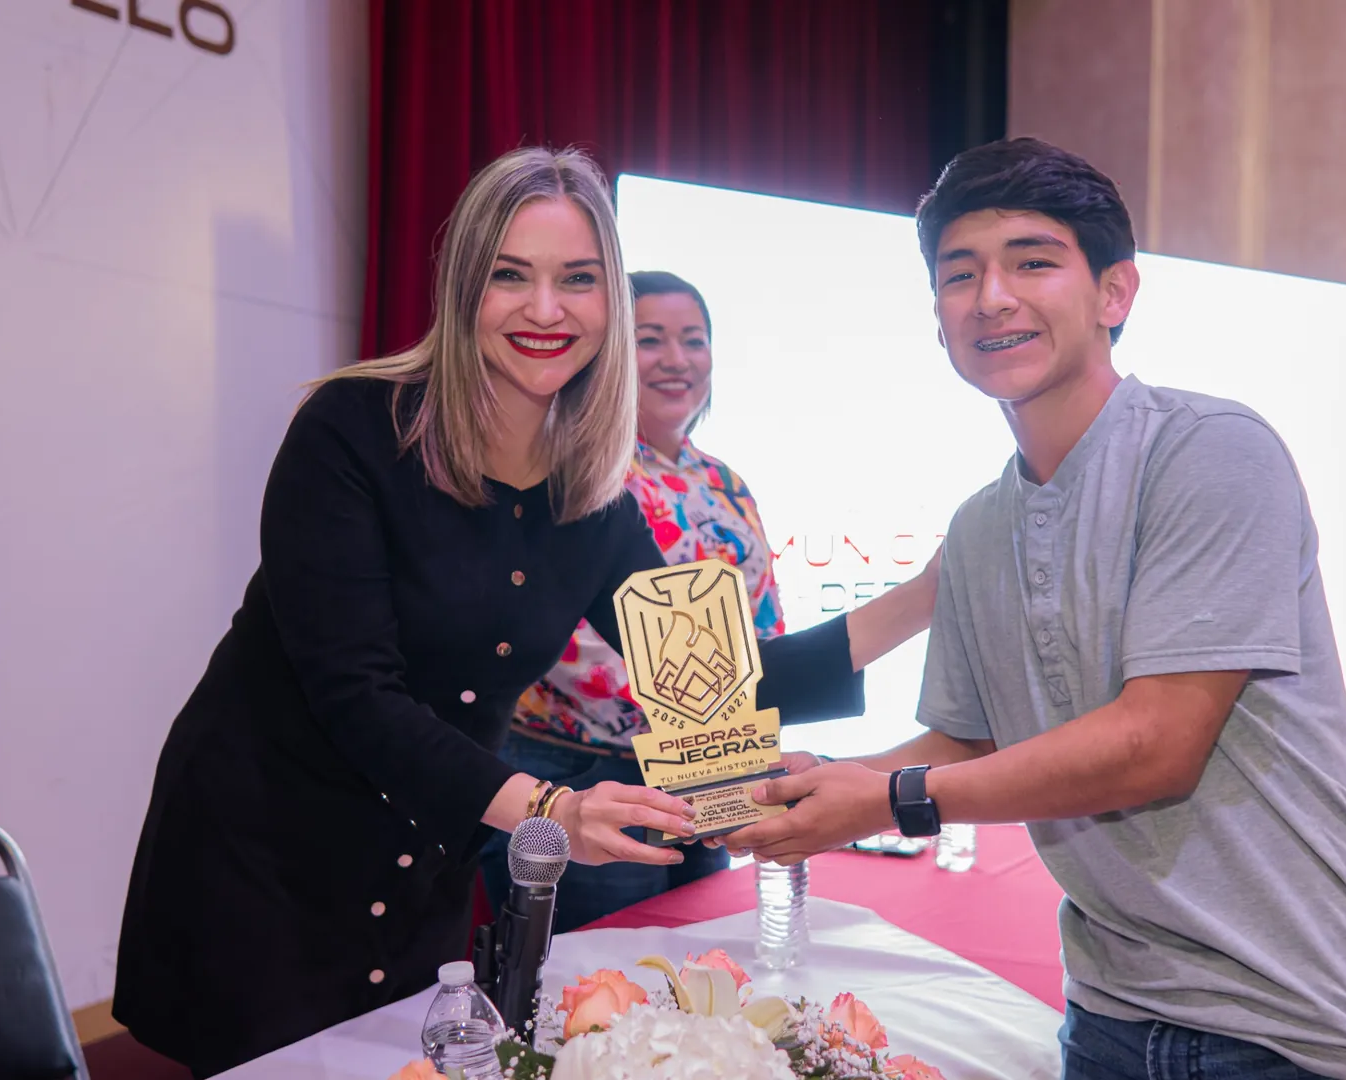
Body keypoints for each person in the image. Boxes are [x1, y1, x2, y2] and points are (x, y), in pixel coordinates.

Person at [112, 146, 933, 1079]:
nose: (546, 310)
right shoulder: (353, 428)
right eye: (511, 276)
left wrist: (926, 595)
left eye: (577, 279)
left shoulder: (594, 496)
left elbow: (717, 681)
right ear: (464, 287)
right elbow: (355, 694)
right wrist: (552, 810)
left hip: (423, 855)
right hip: (268, 850)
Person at [720, 138, 1346, 1080]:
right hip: (1108, 1002)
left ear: (1113, 293)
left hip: (1296, 1009)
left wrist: (882, 800)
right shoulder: (979, 525)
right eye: (959, 274)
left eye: (1032, 262)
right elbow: (970, 740)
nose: (991, 297)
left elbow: (1155, 744)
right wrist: (834, 781)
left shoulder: (1209, 449)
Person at [477, 270, 940, 932]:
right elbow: (587, 655)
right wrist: (918, 599)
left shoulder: (724, 483)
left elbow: (761, 627)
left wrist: (742, 762)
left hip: (708, 775)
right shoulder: (570, 471)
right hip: (581, 775)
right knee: (596, 976)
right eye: (650, 340)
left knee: (697, 962)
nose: (677, 360)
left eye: (693, 340)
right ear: (608, 353)